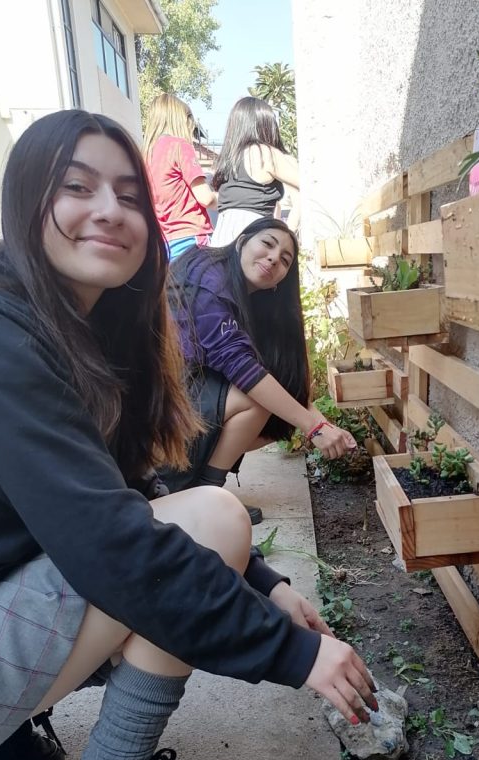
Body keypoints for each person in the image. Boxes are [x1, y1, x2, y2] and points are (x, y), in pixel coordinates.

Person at [0, 109, 376, 760]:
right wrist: (296, 656)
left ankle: (9, 727)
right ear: (27, 201)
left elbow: (121, 491)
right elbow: (114, 545)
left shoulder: (74, 325)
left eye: (130, 195)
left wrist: (264, 587)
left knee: (202, 528)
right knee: (213, 523)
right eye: (78, 187)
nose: (110, 210)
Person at [163, 218, 356, 494]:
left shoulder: (248, 299)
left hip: (181, 392)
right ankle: (205, 496)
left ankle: (199, 489)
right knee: (255, 399)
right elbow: (241, 367)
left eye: (285, 260)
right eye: (267, 243)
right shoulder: (208, 275)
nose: (274, 258)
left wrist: (322, 423)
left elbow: (274, 378)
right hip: (151, 403)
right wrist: (313, 428)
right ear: (242, 241)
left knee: (278, 415)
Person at [211, 97, 300, 247]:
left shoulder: (227, 161)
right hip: (254, 238)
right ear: (266, 125)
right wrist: (288, 233)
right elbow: (310, 185)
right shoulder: (264, 154)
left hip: (222, 238)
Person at [143, 92, 216, 260]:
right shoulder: (179, 146)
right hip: (192, 240)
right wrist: (231, 200)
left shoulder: (145, 154)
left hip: (162, 245)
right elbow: (206, 198)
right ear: (182, 120)